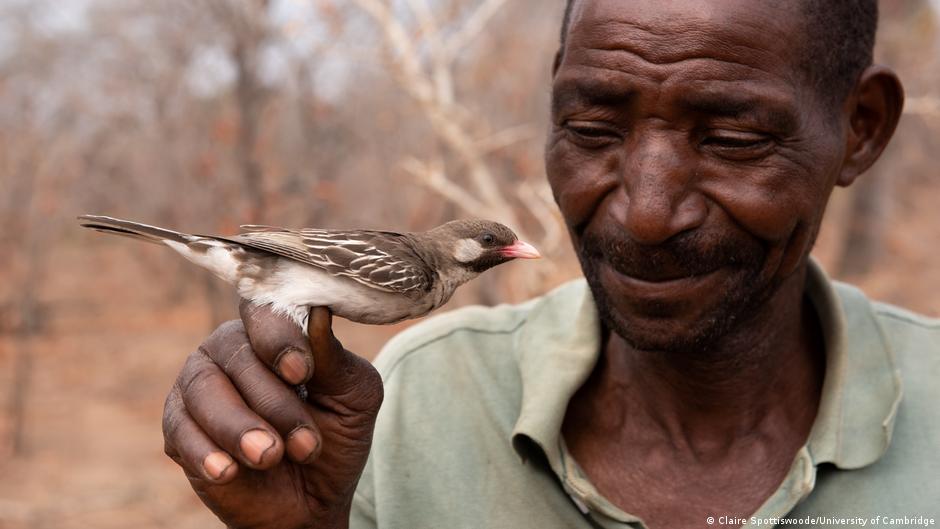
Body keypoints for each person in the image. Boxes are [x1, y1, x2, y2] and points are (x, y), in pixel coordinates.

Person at [160, 1, 940, 528]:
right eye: (594, 126)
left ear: (861, 129)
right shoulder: (407, 405)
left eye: (732, 140)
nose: (645, 211)